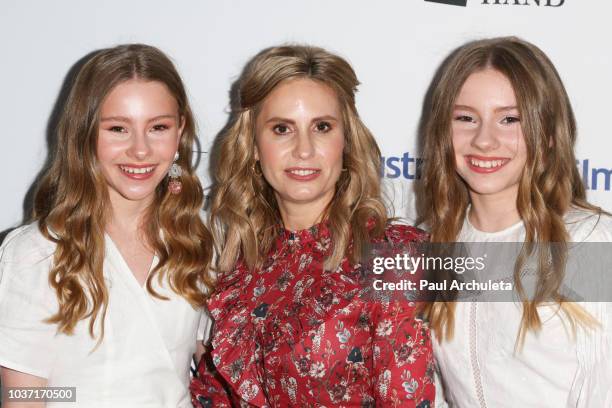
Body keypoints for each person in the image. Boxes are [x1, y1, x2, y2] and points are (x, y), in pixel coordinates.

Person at [190, 45, 435, 407]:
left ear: (345, 140)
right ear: (254, 146)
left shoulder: (396, 255)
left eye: (322, 127)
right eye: (281, 129)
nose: (304, 150)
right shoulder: (239, 261)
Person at [0, 44, 213, 407]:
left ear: (180, 132)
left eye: (158, 127)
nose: (140, 150)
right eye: (118, 129)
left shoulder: (200, 238)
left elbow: (214, 372)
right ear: (85, 134)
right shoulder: (35, 253)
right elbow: (23, 396)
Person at [418, 37, 612, 407]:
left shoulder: (593, 244)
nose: (484, 140)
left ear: (551, 133)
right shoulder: (430, 245)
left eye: (510, 119)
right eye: (465, 118)